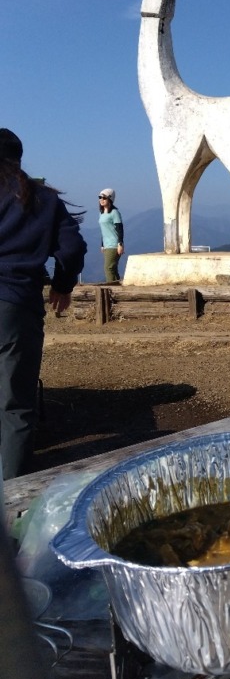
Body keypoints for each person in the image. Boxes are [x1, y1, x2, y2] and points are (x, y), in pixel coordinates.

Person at [0, 128, 86, 479]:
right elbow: (73, 249)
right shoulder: (41, 198)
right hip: (14, 306)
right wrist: (63, 286)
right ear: (19, 157)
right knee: (16, 406)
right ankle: (11, 503)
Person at [98, 187, 124, 282]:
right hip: (106, 245)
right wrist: (102, 244)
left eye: (104, 198)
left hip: (114, 244)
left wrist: (120, 244)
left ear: (110, 199)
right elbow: (104, 230)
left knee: (108, 268)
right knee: (113, 268)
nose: (101, 199)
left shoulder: (114, 213)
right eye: (100, 197)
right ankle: (117, 289)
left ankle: (110, 288)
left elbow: (119, 228)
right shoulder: (101, 213)